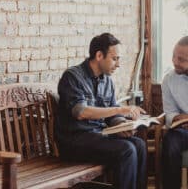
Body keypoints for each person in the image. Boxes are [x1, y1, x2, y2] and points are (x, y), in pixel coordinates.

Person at [56, 33, 147, 189]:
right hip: (74, 142)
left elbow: (113, 117)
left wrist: (122, 125)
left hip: (98, 137)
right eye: (114, 58)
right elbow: (81, 112)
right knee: (126, 150)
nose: (118, 64)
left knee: (139, 145)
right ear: (99, 55)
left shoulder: (107, 81)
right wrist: (120, 109)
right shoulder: (72, 77)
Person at [162, 36, 188, 189]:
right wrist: (181, 118)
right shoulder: (169, 80)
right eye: (173, 56)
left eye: (181, 59)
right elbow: (170, 114)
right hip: (184, 130)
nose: (175, 62)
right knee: (170, 141)